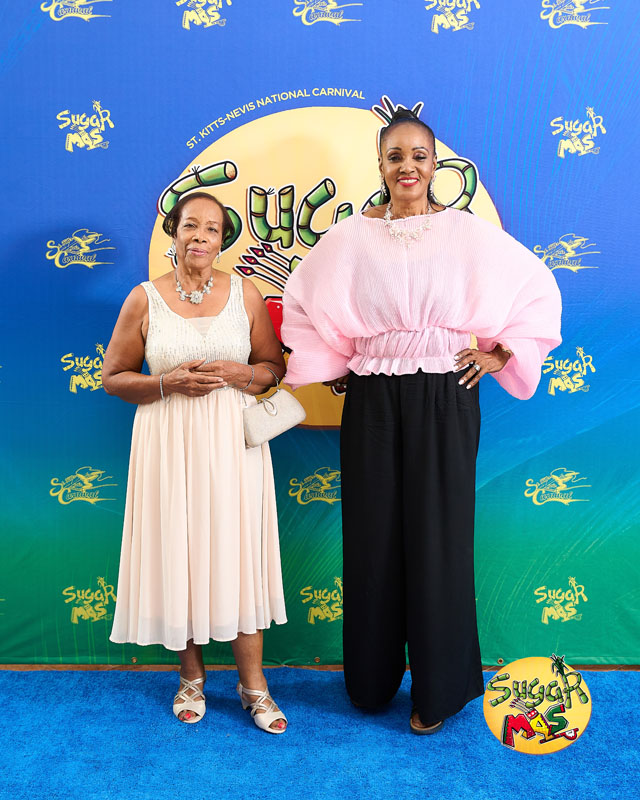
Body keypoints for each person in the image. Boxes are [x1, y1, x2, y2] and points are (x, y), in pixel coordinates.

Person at [281, 108, 562, 734]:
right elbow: (300, 304)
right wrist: (335, 364)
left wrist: (500, 354)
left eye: (418, 155)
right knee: (372, 537)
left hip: (446, 389)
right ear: (380, 165)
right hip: (373, 397)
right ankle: (371, 682)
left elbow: (537, 291)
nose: (407, 166)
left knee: (440, 537)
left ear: (436, 164)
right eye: (395, 156)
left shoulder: (465, 232)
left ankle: (438, 691)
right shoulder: (350, 238)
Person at [103, 191, 288, 732]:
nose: (201, 236)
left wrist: (241, 374)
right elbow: (113, 377)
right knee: (179, 551)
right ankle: (191, 677)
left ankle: (254, 686)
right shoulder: (144, 299)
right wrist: (166, 383)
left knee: (239, 555)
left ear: (223, 239)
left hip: (234, 446)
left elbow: (272, 367)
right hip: (168, 444)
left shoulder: (245, 293)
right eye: (191, 225)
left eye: (212, 228)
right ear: (174, 232)